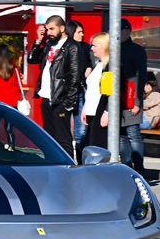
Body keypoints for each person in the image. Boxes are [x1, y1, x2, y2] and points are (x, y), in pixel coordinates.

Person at [28, 15, 81, 158]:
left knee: (63, 138)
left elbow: (75, 77)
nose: (49, 32)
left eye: (52, 29)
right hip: (46, 97)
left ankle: (68, 168)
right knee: (49, 138)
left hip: (61, 99)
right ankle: (51, 164)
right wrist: (38, 40)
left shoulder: (72, 47)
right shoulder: (48, 45)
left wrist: (68, 102)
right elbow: (31, 59)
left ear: (62, 28)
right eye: (47, 29)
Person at [119, 18, 148, 174]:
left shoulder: (136, 50)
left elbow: (141, 76)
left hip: (132, 97)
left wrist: (137, 102)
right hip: (119, 98)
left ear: (127, 31)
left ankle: (139, 168)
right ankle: (126, 167)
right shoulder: (114, 49)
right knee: (121, 135)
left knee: (133, 134)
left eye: (120, 31)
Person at [66, 20, 94, 162]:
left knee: (80, 129)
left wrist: (89, 66)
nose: (82, 35)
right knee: (63, 127)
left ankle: (80, 160)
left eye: (82, 31)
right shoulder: (65, 47)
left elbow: (88, 62)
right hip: (66, 92)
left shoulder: (84, 47)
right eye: (79, 32)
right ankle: (68, 159)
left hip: (80, 91)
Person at [81, 33, 110, 150]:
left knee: (98, 147)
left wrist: (106, 113)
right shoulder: (98, 65)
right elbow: (91, 89)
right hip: (91, 112)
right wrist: (85, 108)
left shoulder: (110, 66)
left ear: (103, 46)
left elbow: (110, 93)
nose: (91, 48)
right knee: (90, 146)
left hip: (101, 112)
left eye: (94, 45)